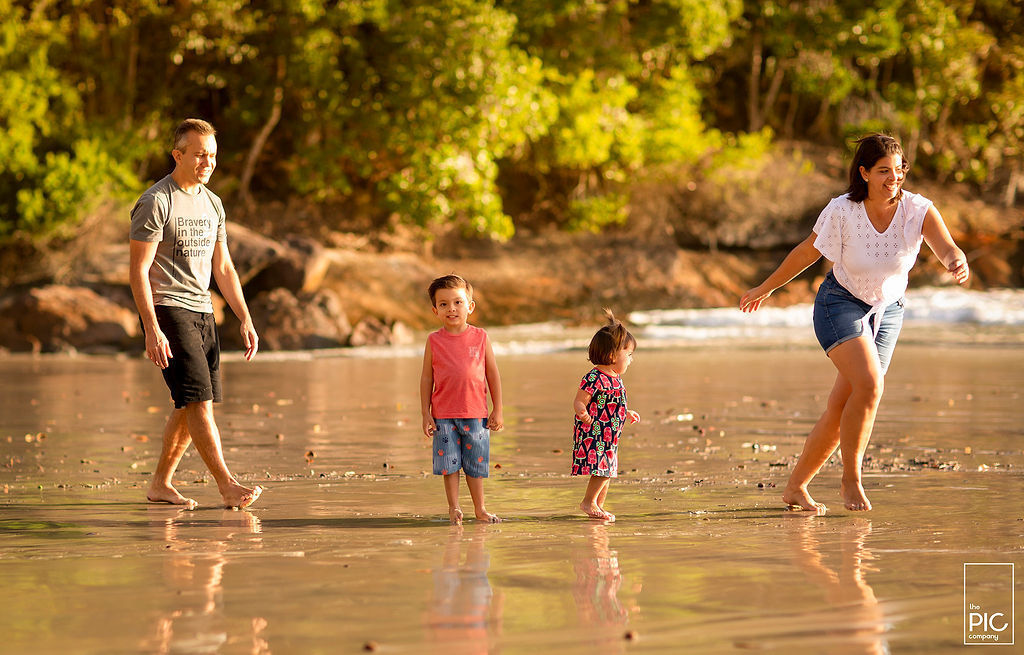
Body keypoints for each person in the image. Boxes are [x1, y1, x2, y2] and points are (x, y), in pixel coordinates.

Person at [740, 133, 969, 513]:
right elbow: (807, 252)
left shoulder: (918, 210)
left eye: (898, 171)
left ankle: (795, 487)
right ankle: (851, 479)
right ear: (863, 173)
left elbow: (946, 247)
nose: (892, 179)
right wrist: (767, 286)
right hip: (839, 304)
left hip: (888, 311)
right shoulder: (843, 211)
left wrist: (955, 260)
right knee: (870, 385)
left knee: (842, 403)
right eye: (883, 171)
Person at [129, 118, 263, 510]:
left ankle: (160, 484)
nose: (208, 162)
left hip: (204, 311)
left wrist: (244, 316)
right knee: (200, 401)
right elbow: (138, 271)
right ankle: (227, 485)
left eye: (213, 155)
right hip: (168, 309)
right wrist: (151, 329)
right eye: (200, 154)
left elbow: (224, 268)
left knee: (189, 403)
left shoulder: (212, 203)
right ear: (178, 155)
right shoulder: (156, 201)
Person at [420, 274, 504, 525]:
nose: (451, 309)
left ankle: (480, 509)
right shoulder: (434, 340)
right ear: (435, 310)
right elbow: (426, 378)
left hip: (476, 413)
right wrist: (425, 413)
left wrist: (497, 409)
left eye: (457, 302)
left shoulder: (480, 337)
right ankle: (454, 508)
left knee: (475, 466)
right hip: (443, 416)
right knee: (449, 465)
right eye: (443, 304)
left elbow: (492, 374)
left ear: (470, 306)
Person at [571, 311, 641, 521]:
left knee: (608, 470)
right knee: (603, 469)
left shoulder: (615, 378)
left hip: (610, 436)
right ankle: (588, 502)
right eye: (628, 355)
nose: (631, 359)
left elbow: (613, 403)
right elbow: (579, 400)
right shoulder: (594, 377)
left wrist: (626, 412)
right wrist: (582, 412)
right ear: (612, 355)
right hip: (595, 433)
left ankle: (598, 506)